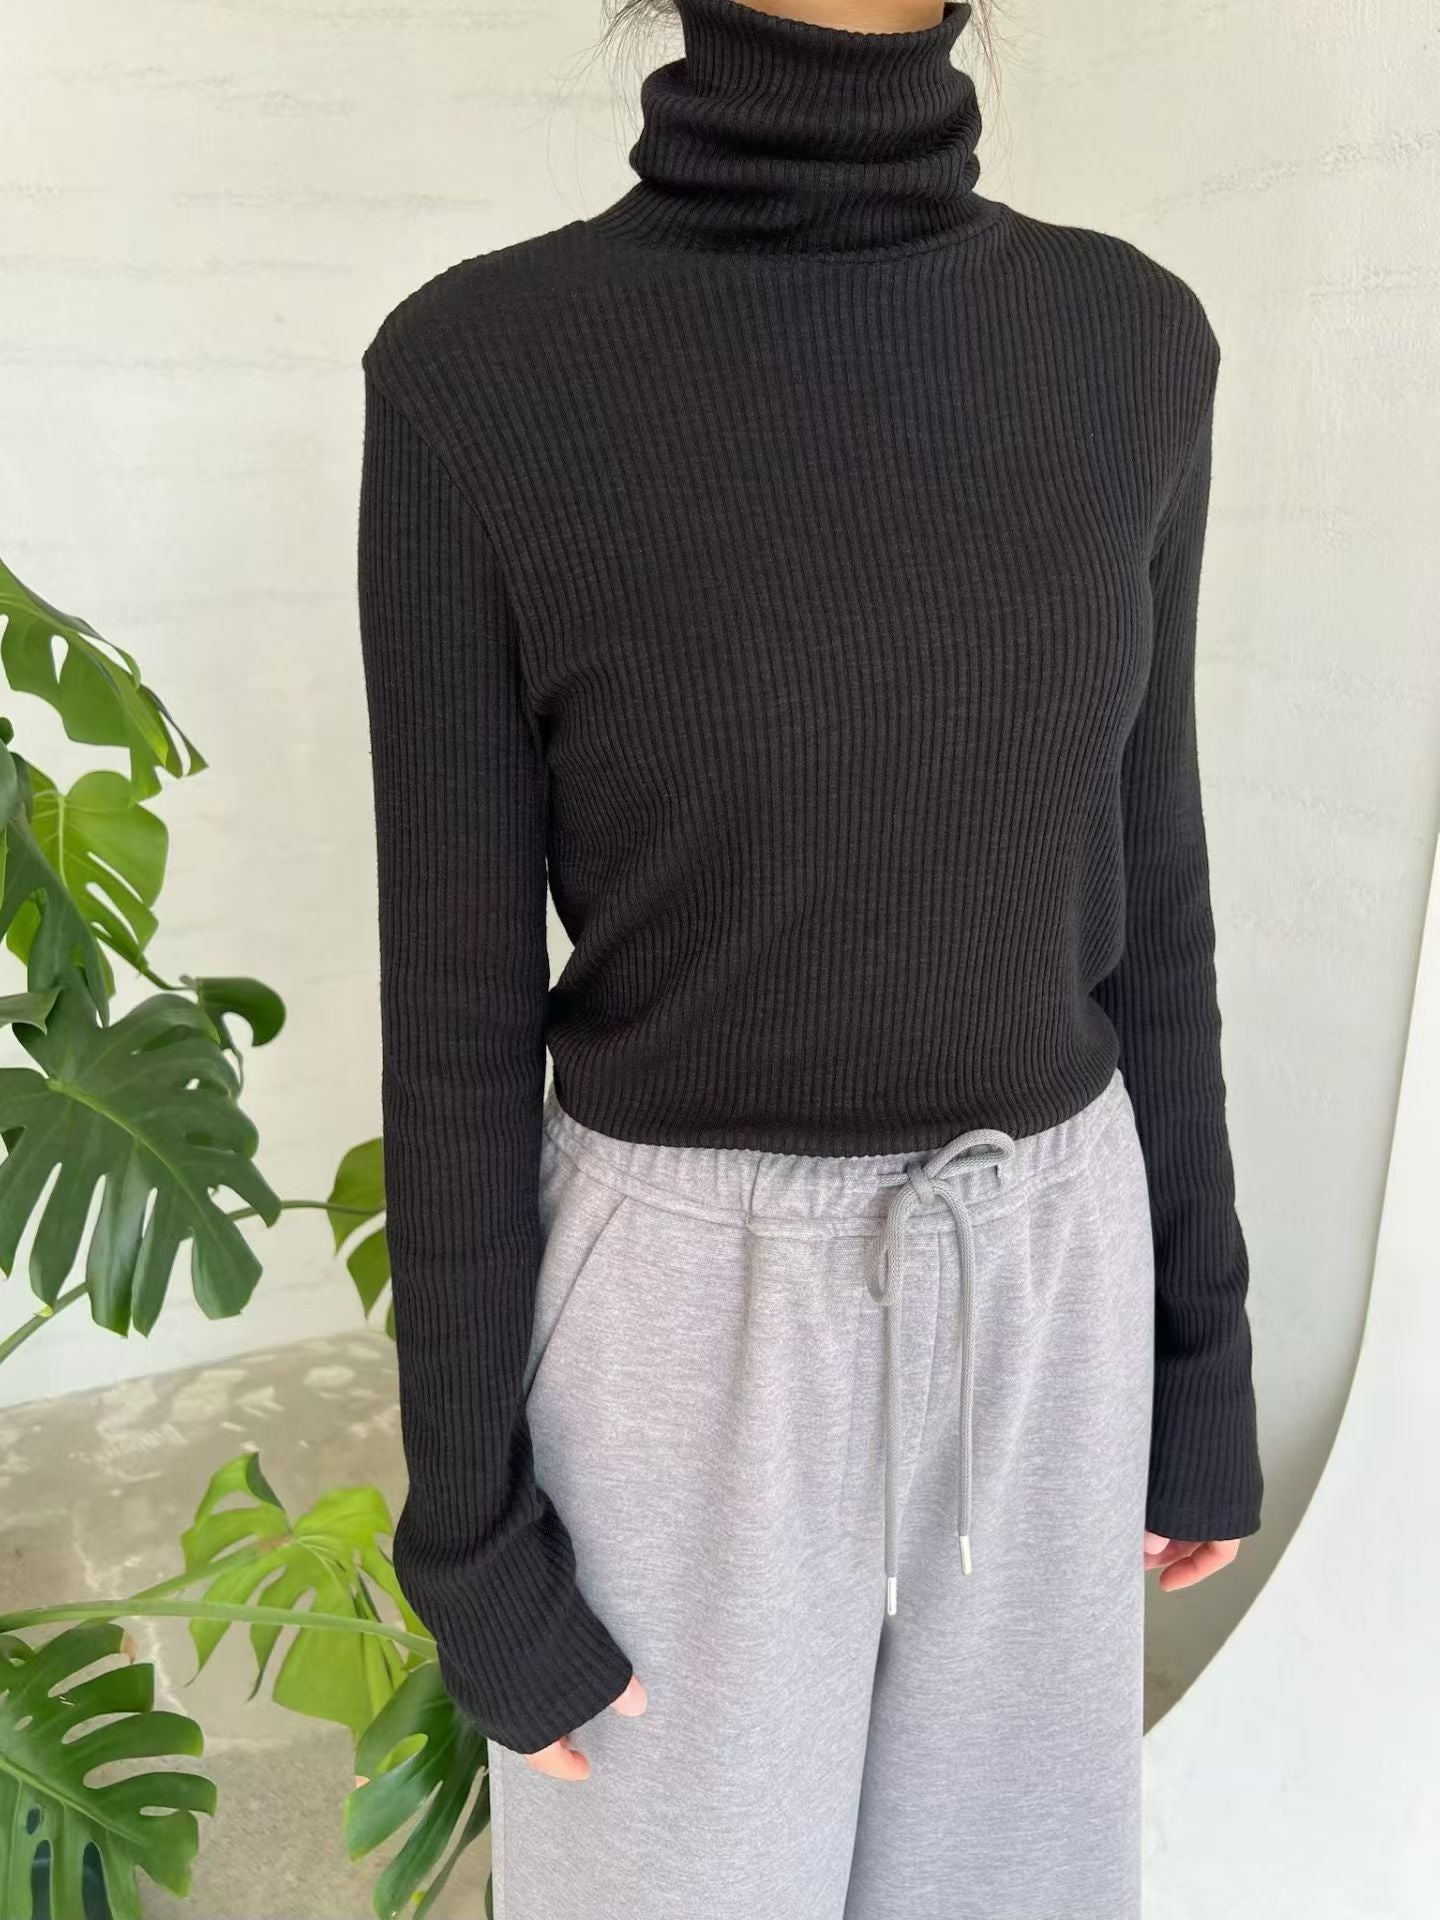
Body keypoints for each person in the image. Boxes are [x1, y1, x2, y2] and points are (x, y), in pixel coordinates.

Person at [354, 0, 1264, 1912]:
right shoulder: (477, 378)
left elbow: (1150, 885)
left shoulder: (1131, 344)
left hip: (1049, 1286)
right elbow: (452, 1017)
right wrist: (468, 1536)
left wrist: (1200, 1355)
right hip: (682, 1331)